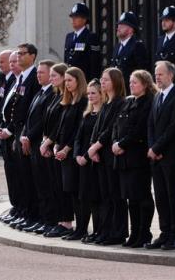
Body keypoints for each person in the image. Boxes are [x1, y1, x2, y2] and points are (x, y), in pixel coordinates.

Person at [145, 61, 175, 250]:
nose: (157, 77)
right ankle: (164, 232)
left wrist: (158, 148)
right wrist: (152, 147)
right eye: (156, 74)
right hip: (156, 156)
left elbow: (174, 128)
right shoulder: (157, 96)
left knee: (173, 197)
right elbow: (150, 125)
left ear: (170, 75)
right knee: (160, 196)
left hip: (169, 156)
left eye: (160, 74)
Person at [0, 44, 41, 231]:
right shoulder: (21, 78)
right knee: (20, 175)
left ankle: (32, 214)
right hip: (16, 131)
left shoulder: (33, 77)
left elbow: (30, 109)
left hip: (24, 131)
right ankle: (24, 211)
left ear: (32, 56)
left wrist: (18, 130)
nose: (19, 58)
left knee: (28, 177)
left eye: (22, 54)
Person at [113, 70, 156, 248]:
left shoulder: (148, 103)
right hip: (123, 157)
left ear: (145, 84)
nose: (131, 85)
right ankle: (134, 232)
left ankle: (144, 232)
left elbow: (139, 129)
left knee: (141, 196)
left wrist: (122, 143)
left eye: (135, 82)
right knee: (130, 198)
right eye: (130, 82)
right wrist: (115, 141)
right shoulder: (129, 102)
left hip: (137, 156)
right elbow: (117, 125)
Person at [87, 68, 128, 245]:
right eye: (102, 80)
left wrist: (96, 146)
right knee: (104, 195)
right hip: (100, 155)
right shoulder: (107, 102)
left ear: (116, 82)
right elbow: (97, 128)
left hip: (110, 155)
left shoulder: (120, 102)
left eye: (106, 80)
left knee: (114, 195)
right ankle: (104, 229)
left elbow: (111, 128)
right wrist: (92, 146)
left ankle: (116, 232)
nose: (102, 83)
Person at [18, 60, 56, 234]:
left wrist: (30, 136)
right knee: (37, 185)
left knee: (46, 185)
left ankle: (48, 219)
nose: (38, 75)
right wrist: (24, 135)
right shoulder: (39, 93)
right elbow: (28, 117)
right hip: (31, 144)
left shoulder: (51, 94)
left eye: (42, 72)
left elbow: (43, 122)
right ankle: (41, 218)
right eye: (38, 72)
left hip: (40, 144)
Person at [55, 67, 88, 241]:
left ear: (78, 81)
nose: (66, 84)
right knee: (69, 190)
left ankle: (82, 228)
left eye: (70, 80)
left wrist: (66, 148)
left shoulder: (82, 101)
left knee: (77, 191)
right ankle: (77, 228)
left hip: (73, 152)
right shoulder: (68, 100)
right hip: (63, 152)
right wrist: (56, 146)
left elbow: (78, 130)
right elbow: (62, 128)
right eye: (65, 80)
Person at [40, 63, 71, 237]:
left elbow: (60, 125)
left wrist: (50, 141)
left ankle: (66, 221)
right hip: (50, 145)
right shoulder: (54, 95)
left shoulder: (65, 98)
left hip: (58, 146)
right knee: (53, 185)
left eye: (54, 76)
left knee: (61, 186)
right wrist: (45, 140)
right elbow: (48, 120)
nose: (51, 79)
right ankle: (58, 220)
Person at [74, 79, 104, 243]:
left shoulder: (103, 113)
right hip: (83, 161)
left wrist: (86, 156)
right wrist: (78, 155)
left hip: (94, 160)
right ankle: (87, 229)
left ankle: (99, 230)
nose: (90, 96)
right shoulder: (86, 114)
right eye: (88, 93)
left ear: (101, 94)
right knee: (86, 197)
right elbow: (78, 137)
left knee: (96, 197)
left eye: (94, 93)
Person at [0, 51, 20, 224]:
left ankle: (22, 209)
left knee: (18, 175)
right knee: (11, 173)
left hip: (14, 133)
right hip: (5, 130)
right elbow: (1, 105)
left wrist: (9, 130)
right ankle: (17, 207)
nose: (10, 65)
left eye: (13, 61)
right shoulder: (9, 80)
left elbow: (20, 110)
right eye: (8, 62)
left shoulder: (18, 80)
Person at [109, 11, 150, 91]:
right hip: (116, 90)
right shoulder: (117, 47)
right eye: (118, 25)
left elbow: (141, 73)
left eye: (122, 25)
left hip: (129, 91)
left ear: (131, 29)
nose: (118, 27)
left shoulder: (137, 46)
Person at [64, 2, 102, 81]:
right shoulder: (69, 37)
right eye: (72, 17)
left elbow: (95, 63)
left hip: (84, 80)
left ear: (84, 19)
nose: (73, 20)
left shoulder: (90, 37)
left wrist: (93, 82)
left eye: (76, 17)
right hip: (70, 80)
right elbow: (66, 60)